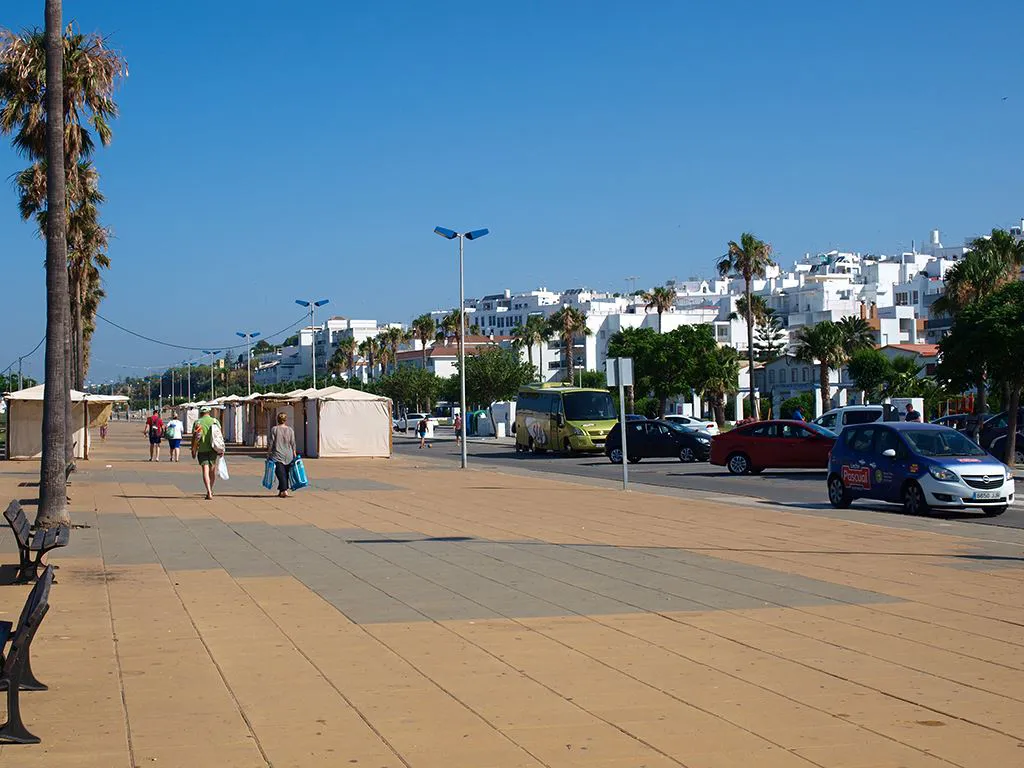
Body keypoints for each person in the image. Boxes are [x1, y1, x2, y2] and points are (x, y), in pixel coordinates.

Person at [191, 405, 222, 500]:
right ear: (209, 412)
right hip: (214, 449)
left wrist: (193, 450)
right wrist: (221, 449)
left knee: (205, 470)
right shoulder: (215, 421)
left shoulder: (197, 422)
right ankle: (211, 489)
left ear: (201, 413)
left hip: (202, 449)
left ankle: (208, 491)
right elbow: (219, 436)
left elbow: (194, 438)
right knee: (212, 470)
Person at [267, 411, 297, 498]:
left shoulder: (274, 429)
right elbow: (293, 443)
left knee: (280, 473)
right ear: (285, 420)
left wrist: (268, 453)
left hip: (278, 454)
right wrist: (294, 453)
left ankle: (284, 490)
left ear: (278, 420)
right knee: (286, 473)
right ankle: (281, 490)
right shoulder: (290, 430)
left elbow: (271, 442)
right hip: (289, 454)